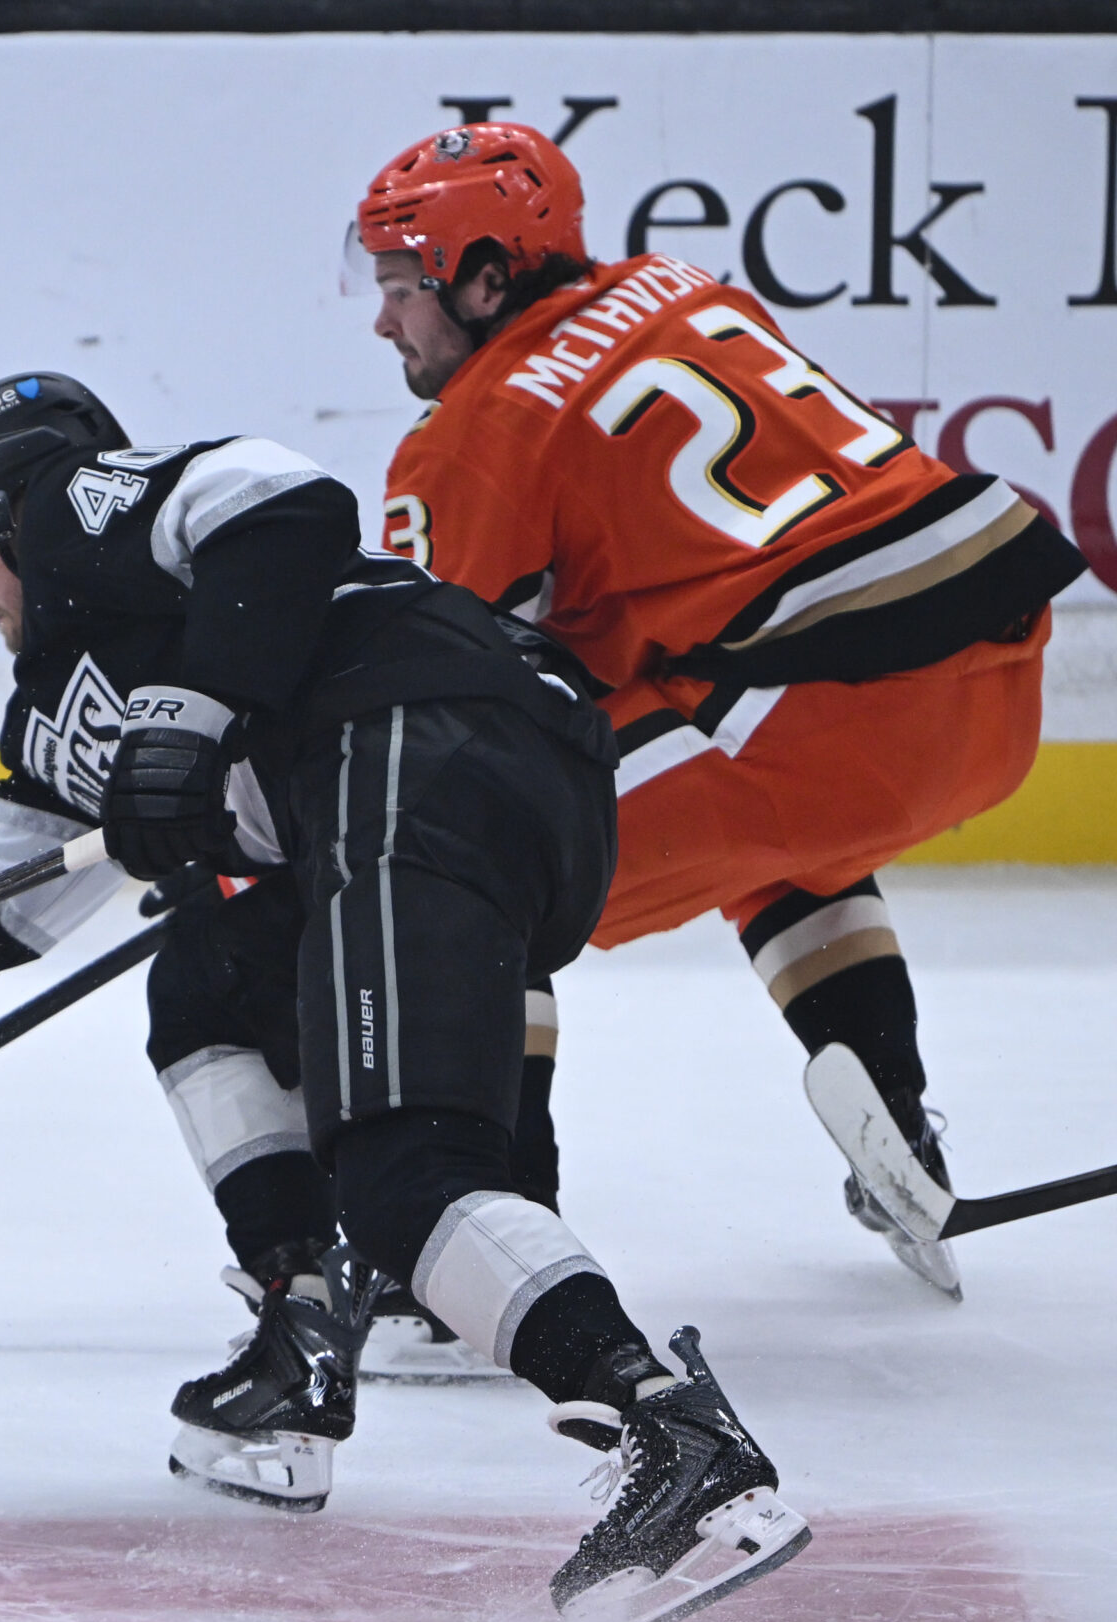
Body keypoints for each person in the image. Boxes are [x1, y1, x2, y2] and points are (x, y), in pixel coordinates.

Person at [0, 371, 808, 1622]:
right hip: (479, 775)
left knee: (405, 1179)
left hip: (414, 737)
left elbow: (284, 507)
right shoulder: (61, 701)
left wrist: (190, 717)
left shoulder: (78, 513)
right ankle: (299, 1325)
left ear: (8, 503)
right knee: (202, 970)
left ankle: (670, 1431)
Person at [356, 123, 1090, 1299]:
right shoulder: (681, 287)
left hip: (825, 717)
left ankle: (481, 1226)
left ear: (486, 277)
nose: (382, 321)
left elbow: (422, 688)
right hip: (994, 685)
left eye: (400, 288)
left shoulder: (476, 431)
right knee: (760, 824)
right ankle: (895, 1113)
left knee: (467, 857)